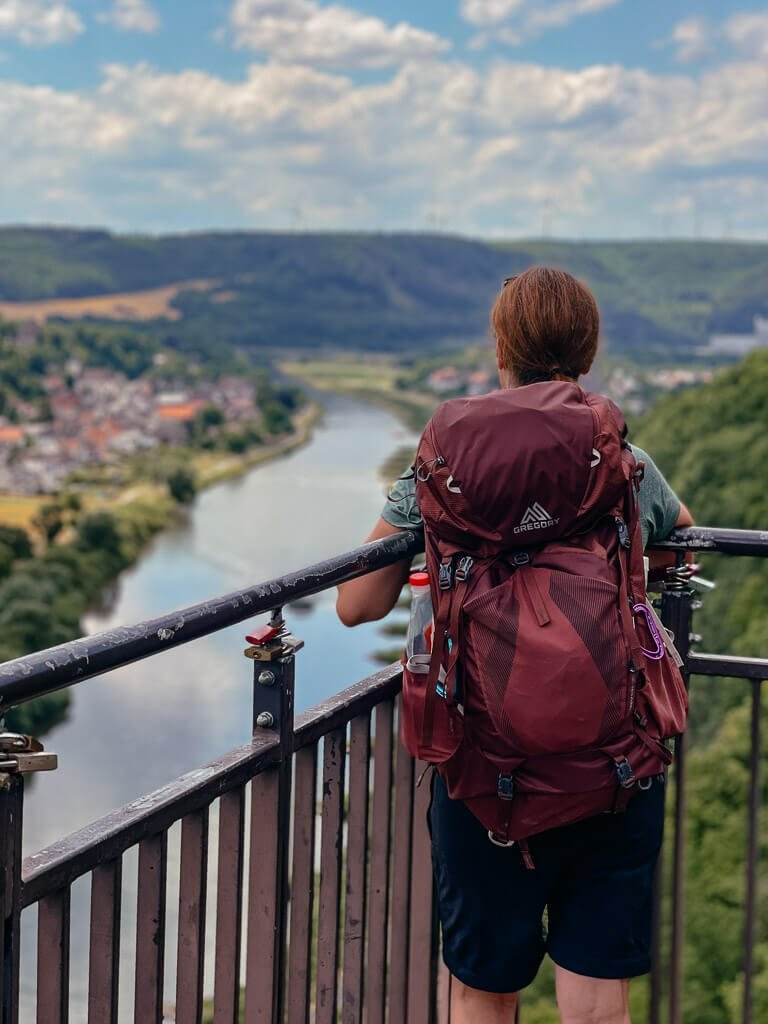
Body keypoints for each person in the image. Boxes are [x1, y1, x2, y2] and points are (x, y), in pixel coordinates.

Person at [336, 267, 693, 1024]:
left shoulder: (441, 468)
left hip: (483, 764)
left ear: (501, 349)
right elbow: (680, 539)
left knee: (483, 987)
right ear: (587, 353)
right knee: (598, 990)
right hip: (616, 756)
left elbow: (355, 606)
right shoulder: (618, 456)